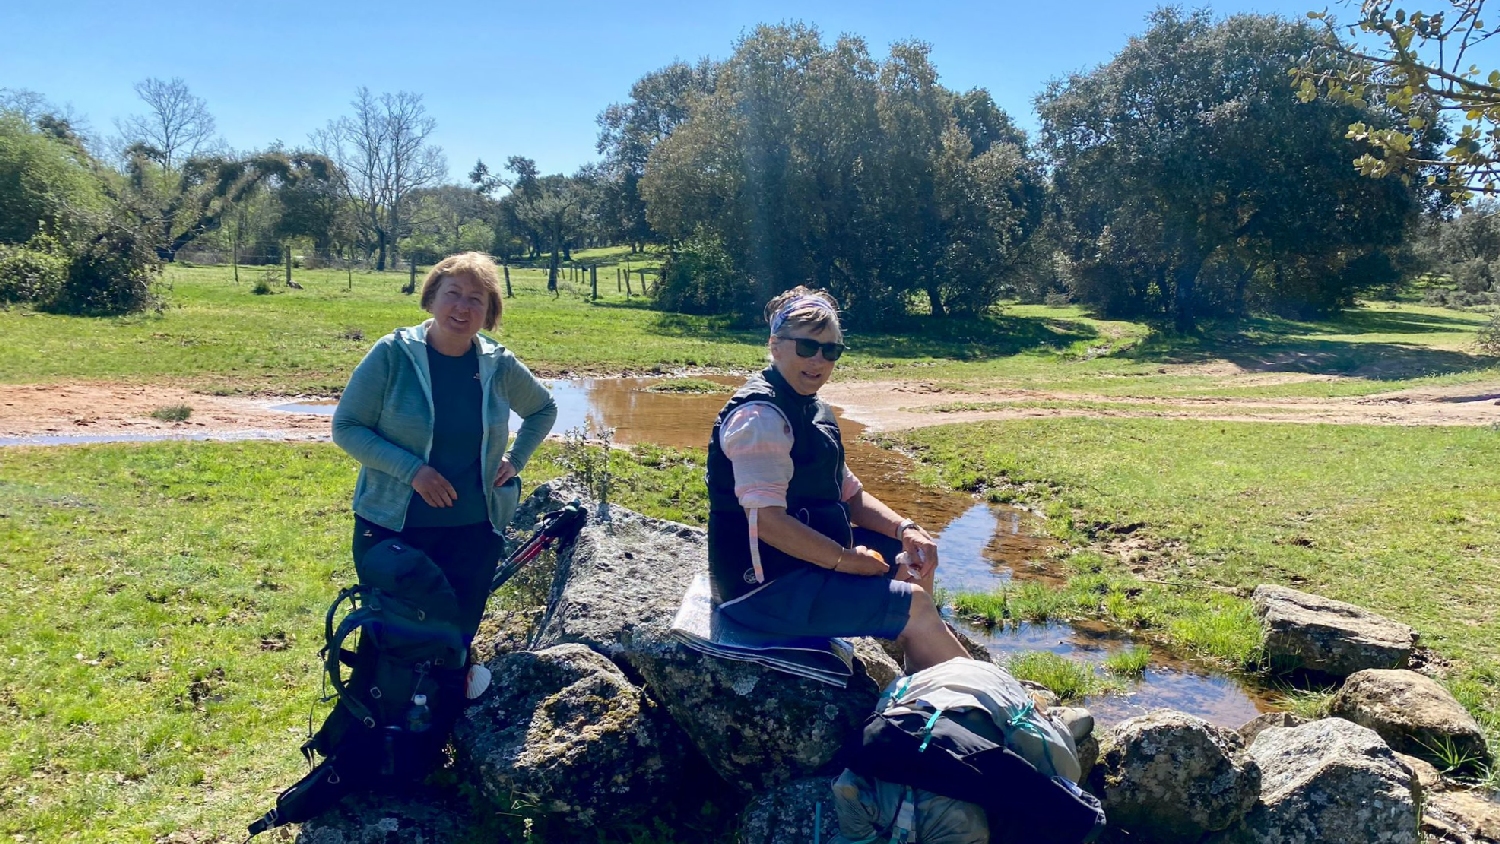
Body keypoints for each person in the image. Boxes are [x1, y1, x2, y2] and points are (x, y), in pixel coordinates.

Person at [706, 286, 968, 672]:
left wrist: (906, 529)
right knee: (912, 603)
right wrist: (845, 561)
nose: (819, 361)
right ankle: (982, 694)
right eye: (807, 348)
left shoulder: (812, 408)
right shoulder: (760, 417)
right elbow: (767, 522)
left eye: (831, 351)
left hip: (800, 567)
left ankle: (919, 669)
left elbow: (850, 494)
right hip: (762, 593)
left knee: (913, 559)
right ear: (775, 345)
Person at [332, 251, 557, 678]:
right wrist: (412, 471)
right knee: (394, 649)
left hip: (473, 532)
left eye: (477, 299)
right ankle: (372, 736)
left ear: (489, 311)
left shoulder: (498, 364)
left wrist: (515, 459)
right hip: (393, 529)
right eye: (453, 293)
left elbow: (543, 409)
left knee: (455, 645)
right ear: (432, 296)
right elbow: (347, 426)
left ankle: (445, 733)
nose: (463, 307)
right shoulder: (392, 355)